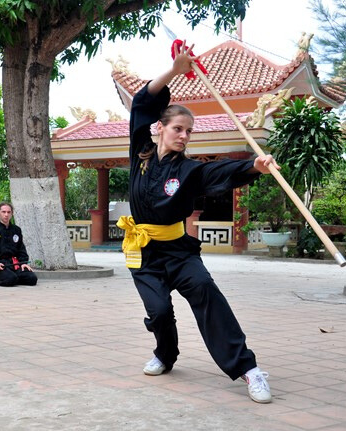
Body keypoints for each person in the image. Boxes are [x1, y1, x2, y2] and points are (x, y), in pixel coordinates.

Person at [117, 41, 279, 404]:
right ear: (160, 128)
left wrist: (254, 166)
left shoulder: (186, 169)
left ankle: (248, 369)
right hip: (143, 251)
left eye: (190, 132)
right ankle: (165, 354)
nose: (185, 136)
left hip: (179, 251)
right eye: (179, 129)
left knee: (206, 293)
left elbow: (216, 171)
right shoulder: (140, 148)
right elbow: (144, 100)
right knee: (158, 311)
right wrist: (176, 69)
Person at [0, 202, 37, 287]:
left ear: (12, 213)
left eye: (8, 212)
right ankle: (9, 278)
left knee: (32, 279)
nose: (6, 215)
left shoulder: (16, 230)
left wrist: (23, 263)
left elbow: (21, 249)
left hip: (14, 264)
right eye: (3, 212)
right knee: (10, 279)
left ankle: (14, 278)